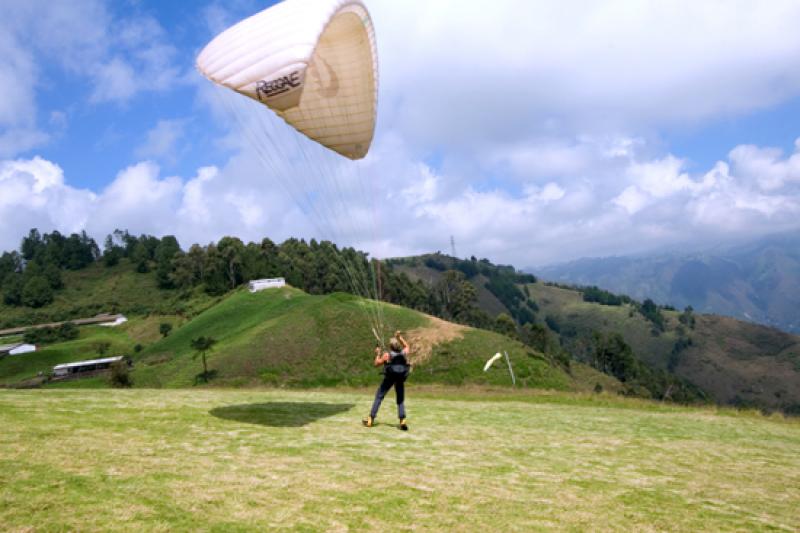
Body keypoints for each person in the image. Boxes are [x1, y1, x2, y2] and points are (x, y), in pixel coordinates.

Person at [363, 330, 411, 430]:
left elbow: (376, 364)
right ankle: (402, 420)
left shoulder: (387, 356)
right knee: (400, 399)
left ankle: (371, 419)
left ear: (391, 347)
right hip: (400, 378)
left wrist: (377, 353)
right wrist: (399, 337)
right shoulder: (404, 353)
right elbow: (407, 346)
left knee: (379, 396)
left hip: (389, 378)